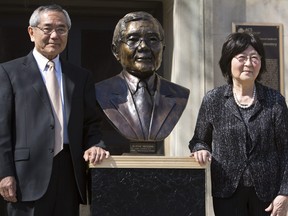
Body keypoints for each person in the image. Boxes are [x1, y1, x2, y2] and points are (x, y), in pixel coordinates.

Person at [0, 4, 110, 216]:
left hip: (69, 173)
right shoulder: (8, 72)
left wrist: (96, 144)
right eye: (47, 28)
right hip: (26, 178)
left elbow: (91, 123)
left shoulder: (81, 76)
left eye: (61, 29)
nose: (54, 35)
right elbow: (2, 129)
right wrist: (5, 173)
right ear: (32, 33)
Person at [189, 32, 288, 216]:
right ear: (229, 61)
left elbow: (286, 149)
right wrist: (201, 148)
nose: (249, 64)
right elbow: (199, 140)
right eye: (242, 57)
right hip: (227, 191)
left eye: (254, 57)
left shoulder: (275, 100)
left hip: (268, 195)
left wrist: (285, 192)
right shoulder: (214, 100)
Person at [95, 11, 190, 142]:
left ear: (163, 50)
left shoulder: (179, 95)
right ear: (116, 51)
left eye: (152, 39)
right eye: (133, 39)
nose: (144, 46)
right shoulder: (99, 92)